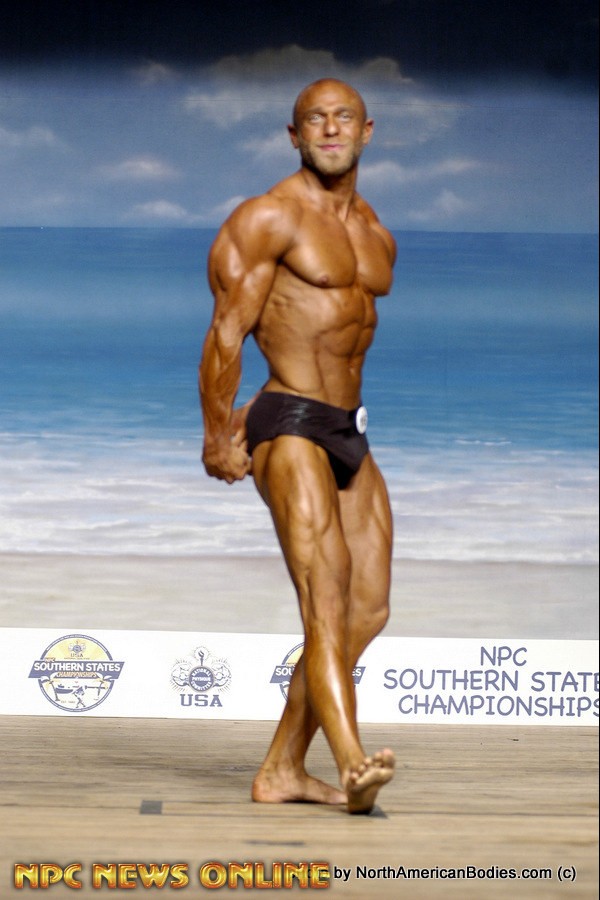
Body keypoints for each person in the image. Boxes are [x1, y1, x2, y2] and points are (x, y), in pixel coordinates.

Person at [199, 78, 396, 814]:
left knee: (367, 610)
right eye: (315, 119)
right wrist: (217, 434)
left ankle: (284, 768)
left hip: (349, 427)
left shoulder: (375, 232)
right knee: (326, 596)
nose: (331, 128)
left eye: (344, 117)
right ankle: (351, 764)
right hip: (287, 420)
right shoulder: (268, 217)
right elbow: (227, 331)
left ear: (367, 131)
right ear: (294, 135)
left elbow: (343, 332)